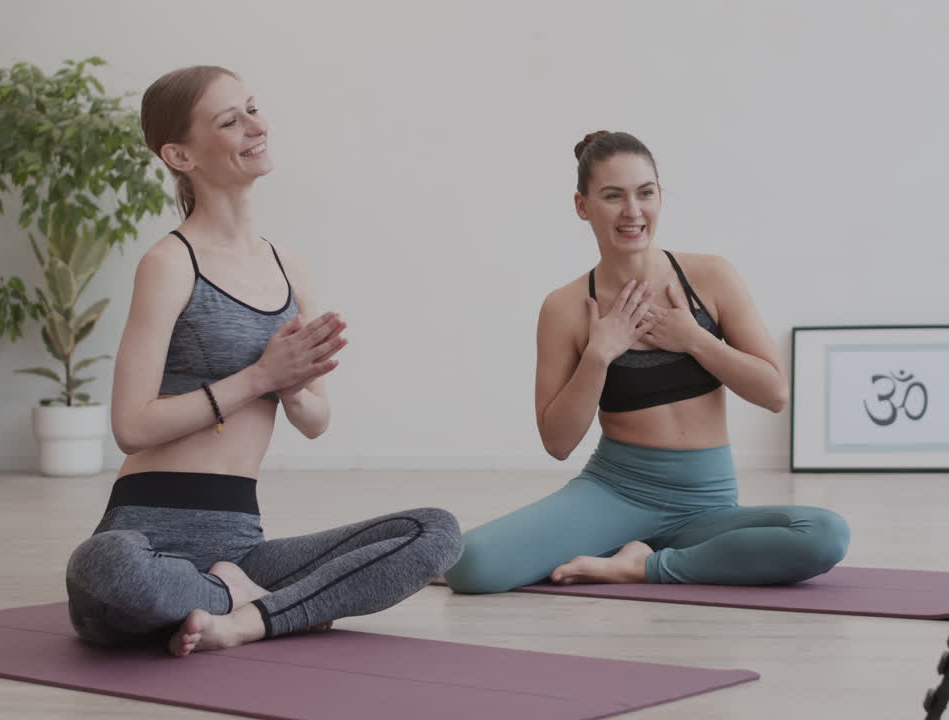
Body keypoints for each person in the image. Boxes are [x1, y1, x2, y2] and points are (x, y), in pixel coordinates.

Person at [64, 66, 462, 656]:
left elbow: (316, 421)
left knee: (435, 533)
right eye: (230, 120)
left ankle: (244, 617)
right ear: (180, 154)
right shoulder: (170, 263)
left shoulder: (289, 267)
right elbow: (131, 426)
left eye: (252, 108)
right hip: (146, 537)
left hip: (242, 546)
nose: (256, 125)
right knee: (108, 566)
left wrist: (296, 384)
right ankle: (242, 600)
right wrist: (261, 377)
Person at [445, 131, 848, 593]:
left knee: (825, 534)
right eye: (613, 196)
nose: (632, 211)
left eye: (645, 193)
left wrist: (695, 340)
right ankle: (638, 550)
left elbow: (774, 394)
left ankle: (639, 565)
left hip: (708, 505)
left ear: (660, 196)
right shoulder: (566, 307)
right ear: (582, 206)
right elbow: (557, 441)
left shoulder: (711, 277)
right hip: (615, 493)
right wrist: (599, 354)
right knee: (470, 567)